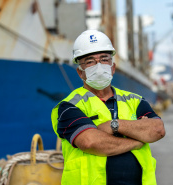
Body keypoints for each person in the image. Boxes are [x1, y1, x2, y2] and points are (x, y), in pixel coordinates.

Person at [51, 30, 165, 185]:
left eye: (104, 59)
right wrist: (138, 140)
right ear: (80, 72)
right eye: (90, 61)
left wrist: (114, 125)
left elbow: (157, 129)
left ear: (112, 67)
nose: (99, 66)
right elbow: (90, 142)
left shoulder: (135, 100)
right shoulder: (68, 107)